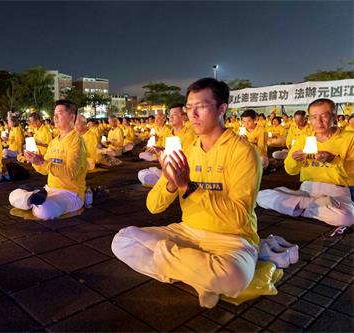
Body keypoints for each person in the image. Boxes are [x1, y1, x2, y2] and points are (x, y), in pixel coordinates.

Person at [112, 78, 261, 308]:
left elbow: (239, 216)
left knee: (234, 277)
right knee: (122, 240)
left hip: (231, 239)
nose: (193, 115)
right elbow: (154, 206)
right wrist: (171, 183)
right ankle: (200, 278)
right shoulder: (186, 152)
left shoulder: (243, 152)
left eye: (201, 107)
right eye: (189, 108)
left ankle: (191, 271)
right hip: (188, 233)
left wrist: (188, 187)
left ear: (222, 108)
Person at [257, 98, 353, 227]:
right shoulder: (304, 140)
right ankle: (311, 205)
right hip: (307, 190)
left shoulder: (349, 138)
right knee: (261, 196)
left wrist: (333, 160)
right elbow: (290, 170)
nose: (318, 122)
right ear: (309, 118)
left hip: (336, 193)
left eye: (323, 116)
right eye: (313, 117)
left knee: (345, 219)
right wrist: (295, 160)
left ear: (334, 116)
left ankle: (299, 207)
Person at [9, 99, 87, 220]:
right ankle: (33, 198)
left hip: (70, 193)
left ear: (72, 117)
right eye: (54, 113)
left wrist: (43, 162)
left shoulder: (76, 140)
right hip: (49, 189)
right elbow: (44, 170)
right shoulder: (54, 142)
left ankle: (32, 199)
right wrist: (35, 161)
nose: (54, 117)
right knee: (12, 195)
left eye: (59, 113)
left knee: (45, 211)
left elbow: (71, 172)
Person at [138, 104, 196, 186]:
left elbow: (183, 159)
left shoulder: (189, 134)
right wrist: (157, 150)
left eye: (174, 115)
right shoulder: (169, 133)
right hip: (168, 167)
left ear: (184, 117)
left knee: (152, 170)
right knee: (143, 172)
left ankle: (169, 183)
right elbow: (164, 150)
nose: (171, 117)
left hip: (182, 172)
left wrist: (162, 152)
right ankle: (166, 182)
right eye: (170, 115)